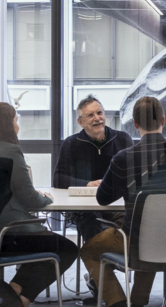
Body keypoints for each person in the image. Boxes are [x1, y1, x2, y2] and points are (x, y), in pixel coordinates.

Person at [0, 102, 80, 307]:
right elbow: (30, 200)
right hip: (12, 234)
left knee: (46, 247)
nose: (17, 125)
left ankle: (13, 295)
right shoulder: (11, 151)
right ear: (6, 124)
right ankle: (21, 300)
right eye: (16, 119)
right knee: (67, 249)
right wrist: (45, 198)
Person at [84, 96, 166, 307]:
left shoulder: (124, 158)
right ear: (163, 120)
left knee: (89, 250)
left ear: (134, 123)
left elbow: (103, 199)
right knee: (150, 236)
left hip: (137, 239)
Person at [52, 95, 133, 271]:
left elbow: (133, 175)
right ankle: (102, 275)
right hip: (86, 207)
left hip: (117, 204)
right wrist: (86, 184)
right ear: (80, 122)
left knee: (127, 225)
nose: (97, 118)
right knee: (92, 224)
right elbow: (58, 178)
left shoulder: (122, 139)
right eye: (90, 115)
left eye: (99, 113)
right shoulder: (71, 143)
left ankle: (107, 266)